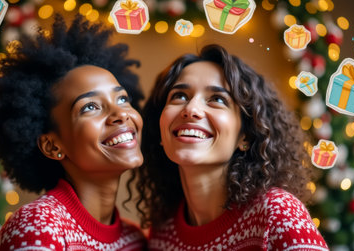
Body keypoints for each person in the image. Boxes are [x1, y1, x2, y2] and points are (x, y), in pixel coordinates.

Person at [132, 44, 329, 250]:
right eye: (179, 96)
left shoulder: (278, 213)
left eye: (217, 99)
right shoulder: (162, 234)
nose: (191, 109)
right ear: (160, 130)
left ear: (246, 136)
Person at [0, 14, 146, 250]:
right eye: (90, 107)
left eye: (122, 98)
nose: (121, 114)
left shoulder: (134, 239)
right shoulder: (37, 228)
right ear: (53, 146)